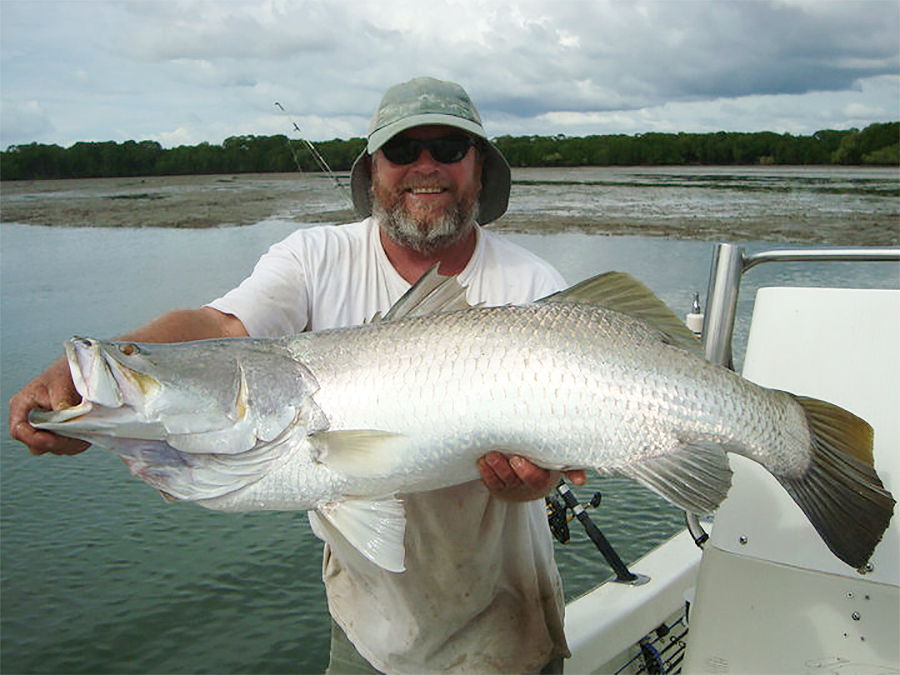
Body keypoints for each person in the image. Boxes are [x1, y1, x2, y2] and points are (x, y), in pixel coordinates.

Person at [10, 76, 584, 673]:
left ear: (481, 169)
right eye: (402, 150)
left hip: (510, 622)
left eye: (448, 149)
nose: (425, 167)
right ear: (372, 169)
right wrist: (102, 366)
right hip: (370, 632)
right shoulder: (313, 258)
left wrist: (539, 482)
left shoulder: (534, 286)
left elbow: (559, 459)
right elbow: (223, 327)